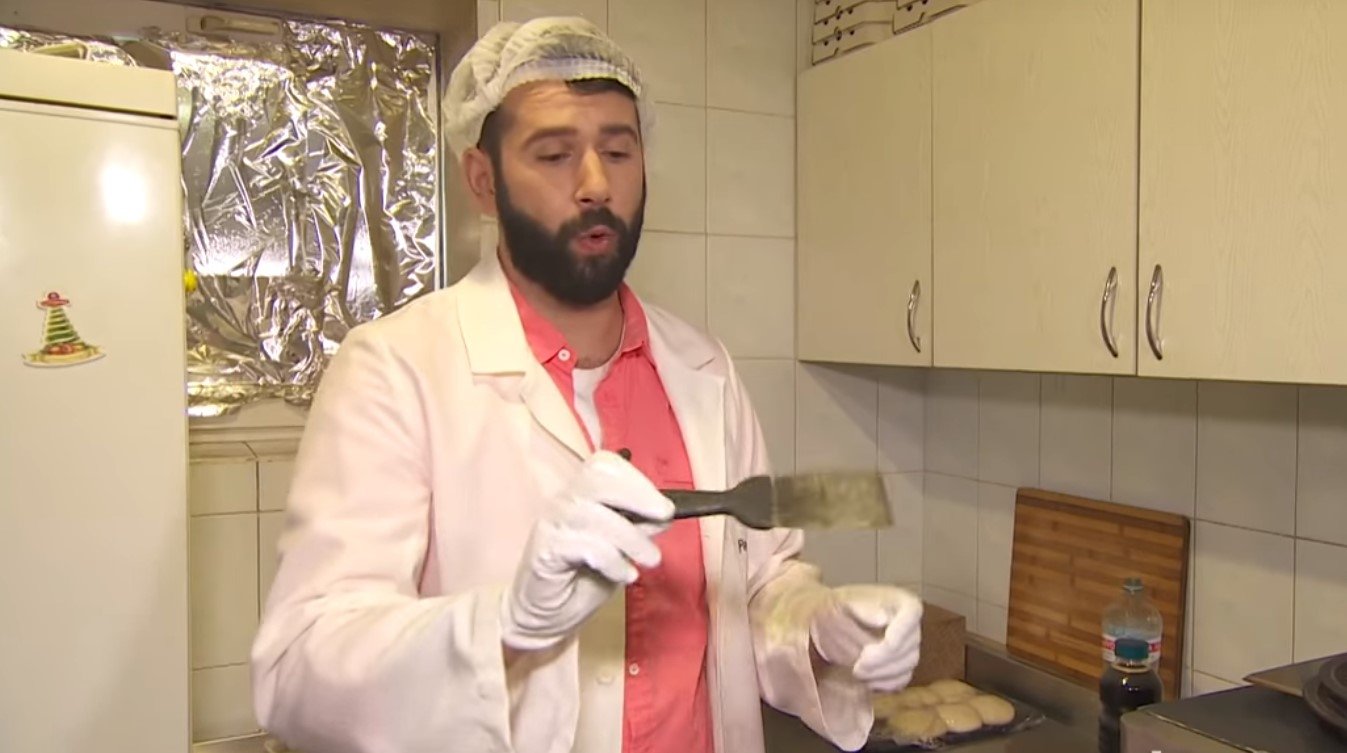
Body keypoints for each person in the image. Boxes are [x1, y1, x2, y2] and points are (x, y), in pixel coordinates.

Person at [250, 16, 923, 753]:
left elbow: (752, 587)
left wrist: (820, 627)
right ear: (483, 181)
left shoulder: (705, 370)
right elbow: (299, 670)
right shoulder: (395, 369)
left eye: (618, 151)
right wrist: (506, 625)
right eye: (554, 154)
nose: (596, 183)